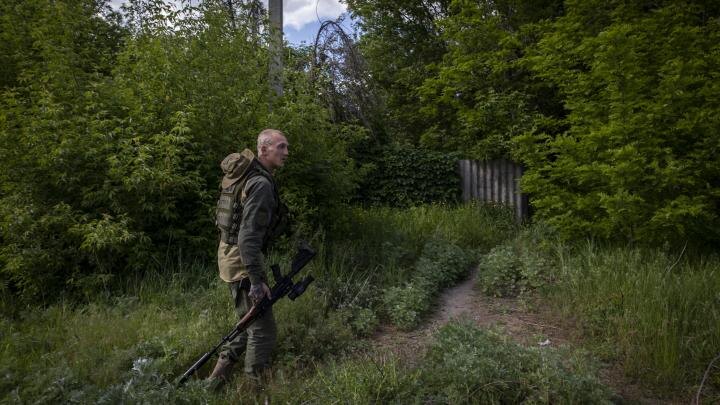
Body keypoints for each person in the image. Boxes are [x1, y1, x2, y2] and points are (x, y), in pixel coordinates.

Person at [209, 129, 289, 388]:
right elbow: (248, 237)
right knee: (263, 331)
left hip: (231, 256)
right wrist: (256, 280)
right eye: (281, 147)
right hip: (242, 261)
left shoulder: (250, 177)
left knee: (250, 321)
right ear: (264, 150)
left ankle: (215, 381)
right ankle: (255, 390)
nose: (286, 153)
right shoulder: (261, 184)